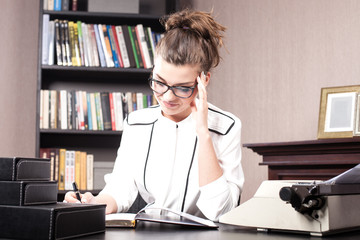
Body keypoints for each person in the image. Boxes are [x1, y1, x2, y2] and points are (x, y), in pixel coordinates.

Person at [65, 9, 244, 222]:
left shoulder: (227, 126)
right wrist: (95, 204)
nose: (167, 96)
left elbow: (220, 210)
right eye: (159, 82)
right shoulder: (136, 122)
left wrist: (203, 133)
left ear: (203, 80)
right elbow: (121, 187)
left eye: (182, 87)